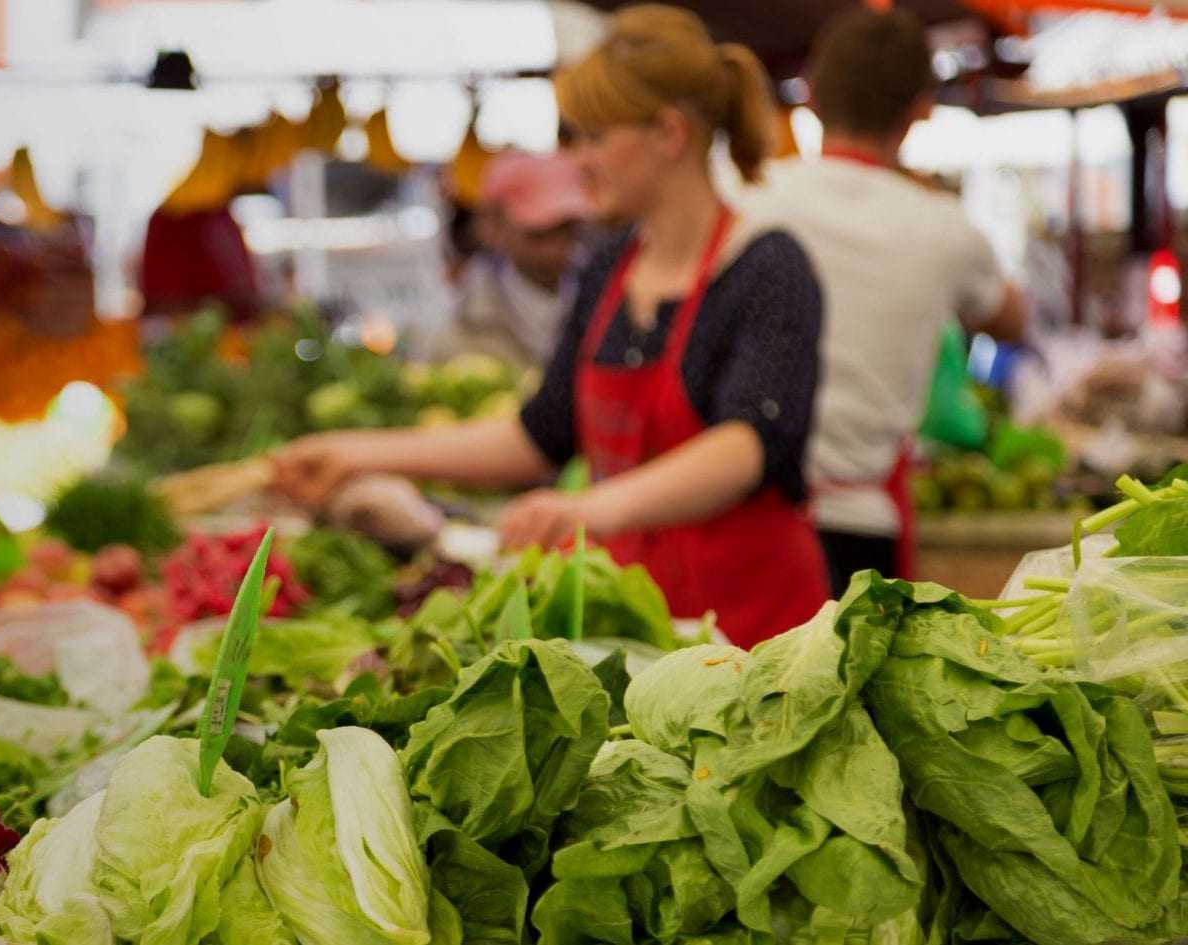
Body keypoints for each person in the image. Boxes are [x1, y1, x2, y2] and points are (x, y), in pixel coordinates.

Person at [274, 4, 828, 648]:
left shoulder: (767, 265)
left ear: (669, 134)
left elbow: (748, 445)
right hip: (634, 629)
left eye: (594, 137)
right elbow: (541, 434)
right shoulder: (609, 272)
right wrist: (355, 453)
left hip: (757, 635)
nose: (578, 160)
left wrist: (588, 509)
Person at [739, 7, 1027, 594]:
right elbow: (1014, 318)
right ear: (921, 109)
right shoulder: (944, 228)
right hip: (859, 530)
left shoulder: (750, 195)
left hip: (743, 515)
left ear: (811, 97)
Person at [418, 151, 596, 364]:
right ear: (492, 226)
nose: (557, 247)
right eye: (539, 233)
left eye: (567, 228)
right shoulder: (460, 328)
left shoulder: (608, 298)